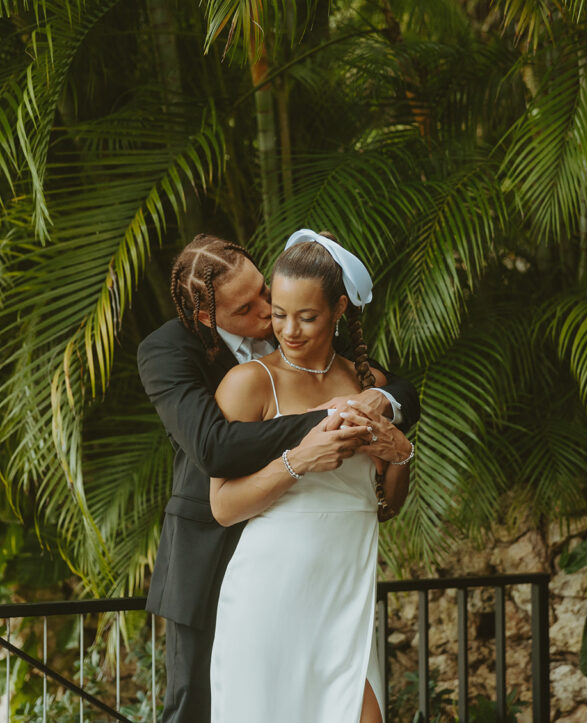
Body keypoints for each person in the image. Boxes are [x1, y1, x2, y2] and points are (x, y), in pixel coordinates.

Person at [137, 233, 420, 723]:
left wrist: (392, 434)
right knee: (195, 708)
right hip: (216, 555)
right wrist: (324, 425)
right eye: (253, 306)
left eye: (269, 293)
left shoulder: (344, 363)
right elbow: (213, 447)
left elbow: (399, 398)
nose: (272, 316)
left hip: (339, 582)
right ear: (208, 316)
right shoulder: (175, 352)